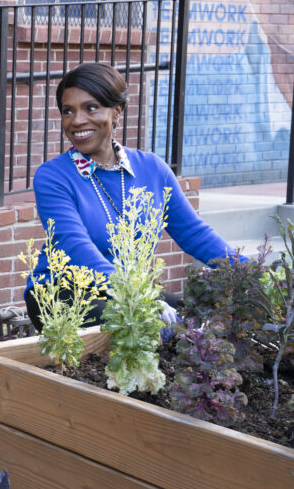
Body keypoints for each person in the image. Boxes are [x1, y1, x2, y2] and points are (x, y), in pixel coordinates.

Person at [25, 63, 241, 332]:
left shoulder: (152, 169)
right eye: (68, 111)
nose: (77, 120)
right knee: (145, 326)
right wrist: (136, 299)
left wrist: (248, 275)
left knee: (198, 319)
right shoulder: (53, 176)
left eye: (91, 108)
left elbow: (194, 233)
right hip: (63, 294)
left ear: (117, 111)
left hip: (129, 293)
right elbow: (74, 246)